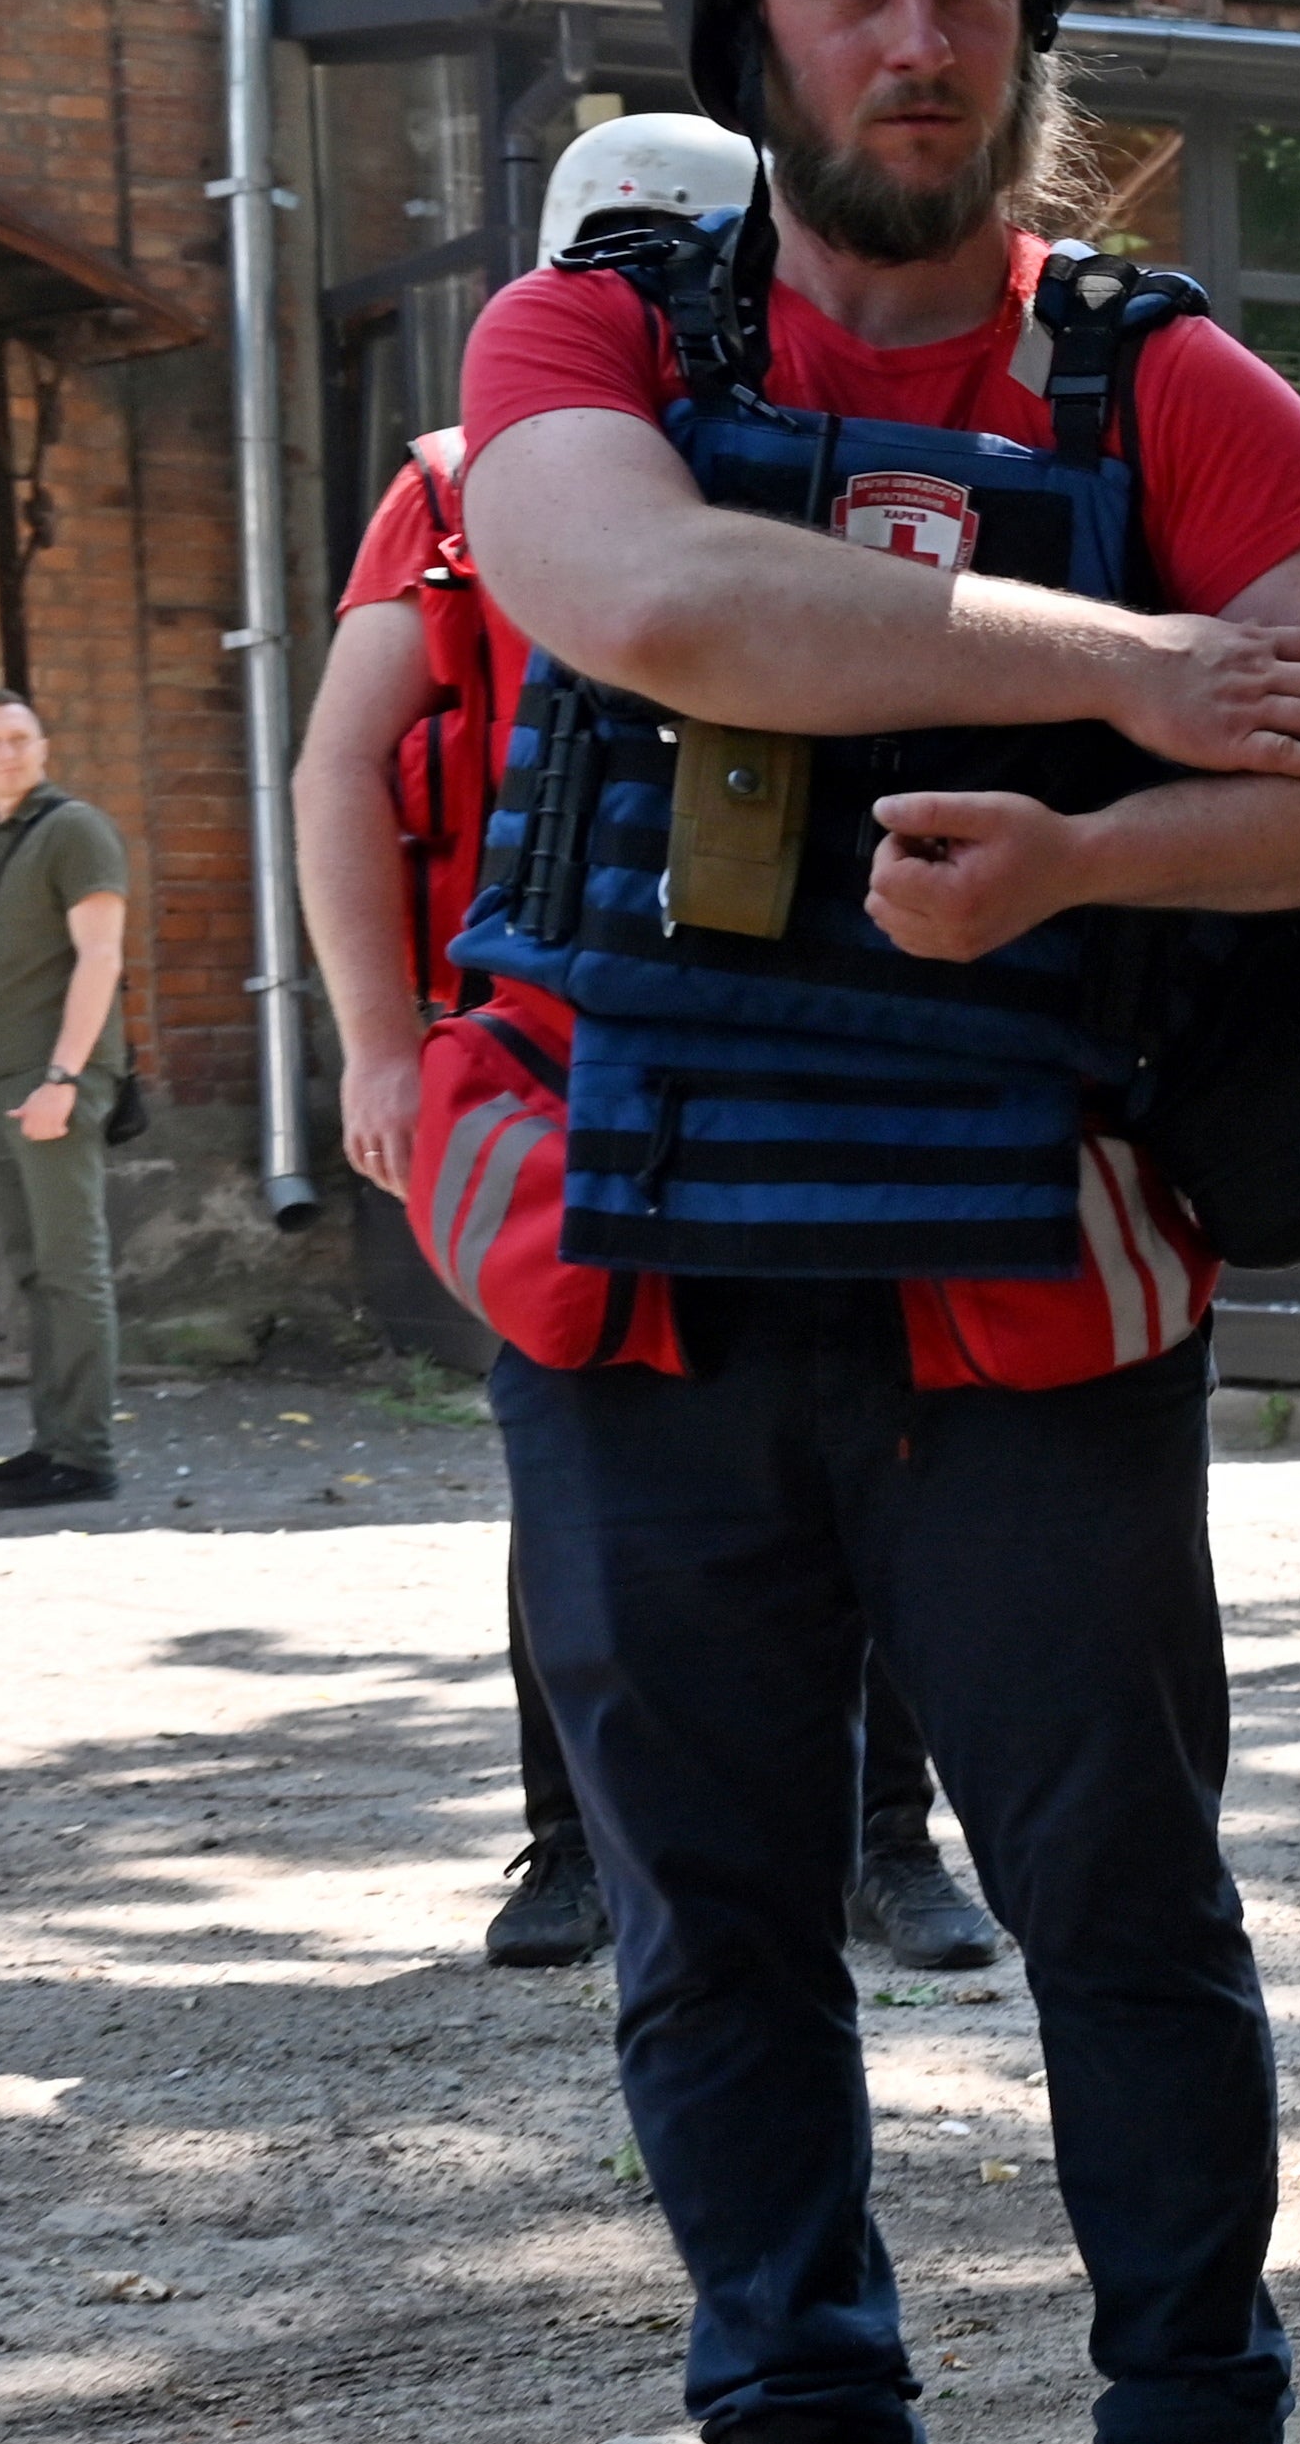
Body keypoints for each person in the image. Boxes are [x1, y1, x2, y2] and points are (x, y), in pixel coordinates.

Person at [447, 0, 1300, 2444]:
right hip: (649, 1269)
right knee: (710, 1923)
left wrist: (1101, 834)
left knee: (1114, 1898)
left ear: (1031, 28)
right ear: (744, 32)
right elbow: (641, 593)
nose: (914, 36)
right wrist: (1139, 662)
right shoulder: (594, 336)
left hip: (1023, 1280)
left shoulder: (1157, 375)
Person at [294, 113, 1002, 1976]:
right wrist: (381, 1045)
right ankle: (571, 1845)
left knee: (879, 1451)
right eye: (608, 249)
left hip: (815, 1032)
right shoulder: (459, 481)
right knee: (586, 1480)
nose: (644, 284)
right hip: (555, 1054)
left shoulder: (815, 464)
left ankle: (883, 1839)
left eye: (681, 247)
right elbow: (344, 762)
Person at [0, 687, 130, 1507]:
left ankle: (85, 1457)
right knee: (34, 1276)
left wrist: (62, 1079)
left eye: (21, 737)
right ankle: (50, 1440)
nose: (9, 752)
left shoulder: (73, 831)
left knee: (72, 1269)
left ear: (43, 747)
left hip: (52, 1082)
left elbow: (100, 958)